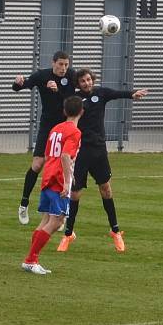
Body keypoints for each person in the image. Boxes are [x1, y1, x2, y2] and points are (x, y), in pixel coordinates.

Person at [57, 68, 148, 253]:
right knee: (75, 194)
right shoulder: (74, 100)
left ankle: (115, 232)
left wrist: (133, 94)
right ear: (78, 83)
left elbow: (117, 93)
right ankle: (68, 234)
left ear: (93, 79)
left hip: (99, 151)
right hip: (80, 152)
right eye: (83, 81)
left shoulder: (101, 93)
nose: (87, 83)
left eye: (89, 79)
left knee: (105, 189)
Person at [12, 51, 77, 225]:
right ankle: (24, 204)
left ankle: (62, 213)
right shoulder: (42, 75)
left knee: (65, 168)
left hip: (65, 128)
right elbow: (21, 86)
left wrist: (58, 91)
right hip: (48, 127)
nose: (63, 68)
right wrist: (17, 83)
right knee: (38, 164)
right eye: (60, 64)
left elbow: (72, 101)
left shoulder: (72, 76)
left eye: (66, 64)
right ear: (53, 63)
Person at [22, 96, 84, 274]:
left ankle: (31, 259)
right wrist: (66, 181)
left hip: (48, 175)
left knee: (47, 219)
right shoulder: (74, 132)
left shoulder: (56, 128)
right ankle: (31, 259)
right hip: (57, 179)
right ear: (81, 112)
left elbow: (49, 155)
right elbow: (65, 156)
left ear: (65, 111)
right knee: (56, 222)